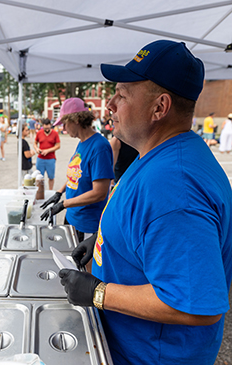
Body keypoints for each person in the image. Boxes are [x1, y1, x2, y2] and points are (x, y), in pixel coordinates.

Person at [58, 40, 232, 365]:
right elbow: (146, 229)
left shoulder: (173, 184)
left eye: (122, 95)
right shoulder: (154, 155)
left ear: (159, 107)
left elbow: (192, 304)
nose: (109, 105)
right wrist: (102, 242)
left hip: (152, 355)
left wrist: (98, 292)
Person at [40, 105, 113, 243]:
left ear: (77, 120)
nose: (64, 129)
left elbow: (100, 193)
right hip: (73, 214)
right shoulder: (82, 143)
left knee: (81, 263)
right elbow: (78, 175)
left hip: (86, 222)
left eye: (65, 124)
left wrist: (63, 204)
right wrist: (59, 192)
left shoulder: (99, 147)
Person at [34, 118, 61, 190]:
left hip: (51, 159)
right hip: (40, 158)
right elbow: (35, 143)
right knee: (39, 177)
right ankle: (40, 191)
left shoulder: (55, 133)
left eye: (48, 128)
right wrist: (37, 149)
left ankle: (50, 190)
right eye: (45, 128)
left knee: (51, 177)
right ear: (42, 126)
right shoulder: (39, 133)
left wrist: (48, 151)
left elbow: (58, 146)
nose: (46, 129)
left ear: (50, 125)